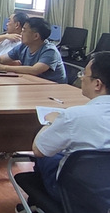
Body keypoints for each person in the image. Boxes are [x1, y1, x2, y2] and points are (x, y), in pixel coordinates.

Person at [31, 52, 110, 201]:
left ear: (97, 84)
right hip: (106, 195)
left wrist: (52, 122)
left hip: (74, 194)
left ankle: (36, 204)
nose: (81, 78)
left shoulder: (74, 116)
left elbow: (39, 150)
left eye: (84, 74)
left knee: (48, 153)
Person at [0, 17, 67, 83]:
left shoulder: (50, 51)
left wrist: (3, 68)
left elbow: (34, 70)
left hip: (54, 89)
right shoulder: (23, 46)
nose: (21, 33)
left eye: (24, 30)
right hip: (32, 83)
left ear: (36, 36)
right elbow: (2, 59)